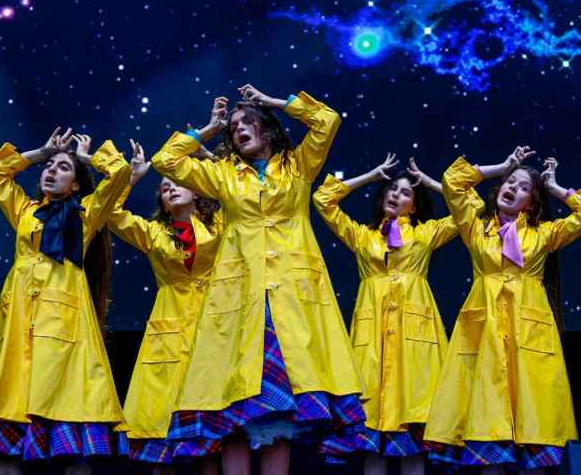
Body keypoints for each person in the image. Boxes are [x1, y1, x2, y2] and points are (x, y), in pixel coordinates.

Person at [152, 85, 365, 475]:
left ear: (267, 129)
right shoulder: (221, 174)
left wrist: (274, 102)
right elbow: (165, 159)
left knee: (279, 418)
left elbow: (327, 120)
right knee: (234, 409)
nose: (238, 130)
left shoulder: (298, 165)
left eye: (247, 122)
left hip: (291, 298)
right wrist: (209, 129)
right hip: (240, 299)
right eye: (233, 127)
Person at [0, 128, 130, 475]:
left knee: (70, 432)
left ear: (76, 184)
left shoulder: (87, 214)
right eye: (49, 167)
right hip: (18, 326)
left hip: (66, 332)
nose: (51, 171)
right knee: (7, 423)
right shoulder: (25, 211)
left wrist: (84, 158)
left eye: (63, 168)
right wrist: (41, 151)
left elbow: (119, 173)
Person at [424, 147, 580, 474]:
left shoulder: (544, 234)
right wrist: (501, 166)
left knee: (533, 427)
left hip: (529, 338)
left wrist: (554, 187)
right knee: (487, 431)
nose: (513, 187)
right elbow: (453, 181)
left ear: (533, 204)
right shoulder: (475, 226)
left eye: (524, 187)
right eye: (511, 182)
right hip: (485, 336)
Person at [312, 155, 468, 475]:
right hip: (373, 340)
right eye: (392, 190)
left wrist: (429, 182)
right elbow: (323, 199)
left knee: (413, 434)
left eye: (406, 193)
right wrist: (370, 176)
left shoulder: (427, 233)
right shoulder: (362, 235)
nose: (396, 195)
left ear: (415, 204)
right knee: (373, 436)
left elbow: (470, 208)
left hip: (415, 340)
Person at [111, 140, 222, 475]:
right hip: (168, 334)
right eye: (163, 187)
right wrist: (132, 177)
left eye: (176, 181)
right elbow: (109, 212)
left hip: (214, 330)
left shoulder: (223, 225)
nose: (170, 187)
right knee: (159, 435)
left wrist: (208, 158)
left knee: (211, 443)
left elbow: (241, 196)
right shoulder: (153, 234)